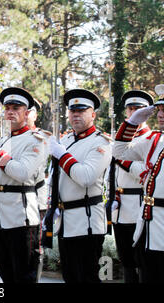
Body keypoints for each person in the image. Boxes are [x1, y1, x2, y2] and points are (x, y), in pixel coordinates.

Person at [112, 84, 164, 283]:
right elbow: (119, 152)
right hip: (147, 232)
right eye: (158, 110)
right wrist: (131, 123)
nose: (160, 114)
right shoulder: (154, 141)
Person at [49, 89, 112, 283]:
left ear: (92, 114)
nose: (75, 115)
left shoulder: (101, 142)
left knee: (87, 277)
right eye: (72, 111)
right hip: (66, 221)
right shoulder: (66, 140)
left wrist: (63, 155)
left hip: (87, 222)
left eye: (81, 111)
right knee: (70, 276)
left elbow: (86, 177)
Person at [0, 87, 47, 283]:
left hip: (22, 218)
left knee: (23, 276)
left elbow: (23, 172)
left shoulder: (36, 140)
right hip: (1, 216)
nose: (10, 112)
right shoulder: (5, 140)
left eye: (16, 108)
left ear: (27, 112)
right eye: (7, 108)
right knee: (6, 274)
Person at [110, 90, 153, 283]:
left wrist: (123, 161)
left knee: (142, 261)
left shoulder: (153, 138)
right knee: (126, 260)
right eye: (130, 109)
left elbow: (148, 171)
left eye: (138, 109)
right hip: (121, 208)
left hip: (140, 205)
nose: (134, 112)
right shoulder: (119, 139)